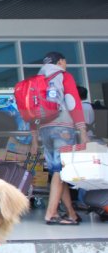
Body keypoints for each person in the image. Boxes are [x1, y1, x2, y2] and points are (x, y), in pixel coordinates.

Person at [29, 51, 87, 226]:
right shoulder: (63, 76)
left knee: (57, 171)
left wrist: (34, 138)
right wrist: (82, 130)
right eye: (65, 61)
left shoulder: (37, 81)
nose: (65, 64)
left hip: (44, 129)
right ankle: (51, 214)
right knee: (61, 171)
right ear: (60, 61)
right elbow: (73, 102)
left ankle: (71, 213)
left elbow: (31, 110)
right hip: (63, 127)